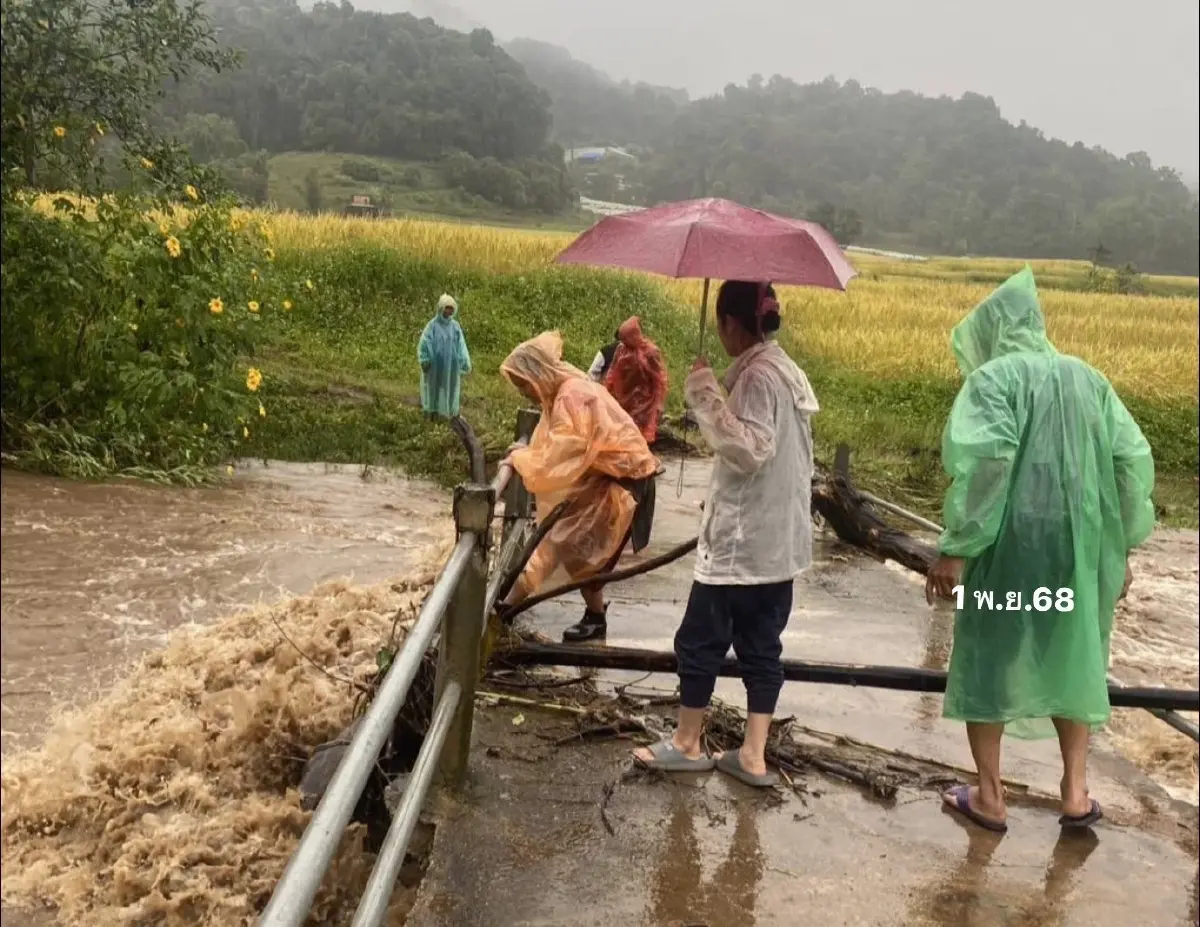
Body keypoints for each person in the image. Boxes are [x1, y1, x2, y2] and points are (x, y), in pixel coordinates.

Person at [924, 266, 1155, 833]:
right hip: (1076, 556)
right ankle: (1075, 793)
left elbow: (988, 467)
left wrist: (956, 549)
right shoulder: (1088, 379)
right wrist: (1120, 545)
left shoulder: (993, 381)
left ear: (993, 333)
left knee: (991, 655)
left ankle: (991, 796)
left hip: (1009, 553)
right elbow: (1130, 462)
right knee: (1070, 652)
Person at [632, 281, 819, 787]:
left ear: (731, 324)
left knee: (699, 640)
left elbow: (752, 448)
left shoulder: (757, 377)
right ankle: (752, 755)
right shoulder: (789, 371)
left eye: (722, 325)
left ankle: (689, 742)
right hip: (778, 542)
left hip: (744, 541)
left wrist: (706, 396)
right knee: (762, 646)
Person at [496, 331, 660, 642]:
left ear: (537, 374)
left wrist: (520, 459)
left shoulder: (571, 395)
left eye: (522, 384)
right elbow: (556, 446)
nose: (523, 392)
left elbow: (561, 457)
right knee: (572, 546)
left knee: (575, 546)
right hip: (609, 475)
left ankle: (504, 609)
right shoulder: (563, 393)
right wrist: (525, 455)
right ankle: (513, 607)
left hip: (625, 480)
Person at [604, 316, 670, 445]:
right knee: (623, 433)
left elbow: (658, 379)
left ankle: (640, 459)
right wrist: (606, 390)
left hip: (644, 401)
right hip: (624, 398)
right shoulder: (621, 350)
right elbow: (612, 372)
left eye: (625, 338)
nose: (623, 342)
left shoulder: (650, 352)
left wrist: (657, 402)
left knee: (638, 436)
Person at [418, 293, 471, 419]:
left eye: (451, 308)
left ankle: (449, 414)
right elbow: (424, 343)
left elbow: (461, 345)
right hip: (435, 365)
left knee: (450, 387)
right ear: (441, 308)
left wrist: (464, 361)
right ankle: (432, 413)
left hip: (451, 365)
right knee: (434, 387)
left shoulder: (455, 326)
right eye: (447, 307)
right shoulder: (432, 326)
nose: (449, 311)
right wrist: (425, 359)